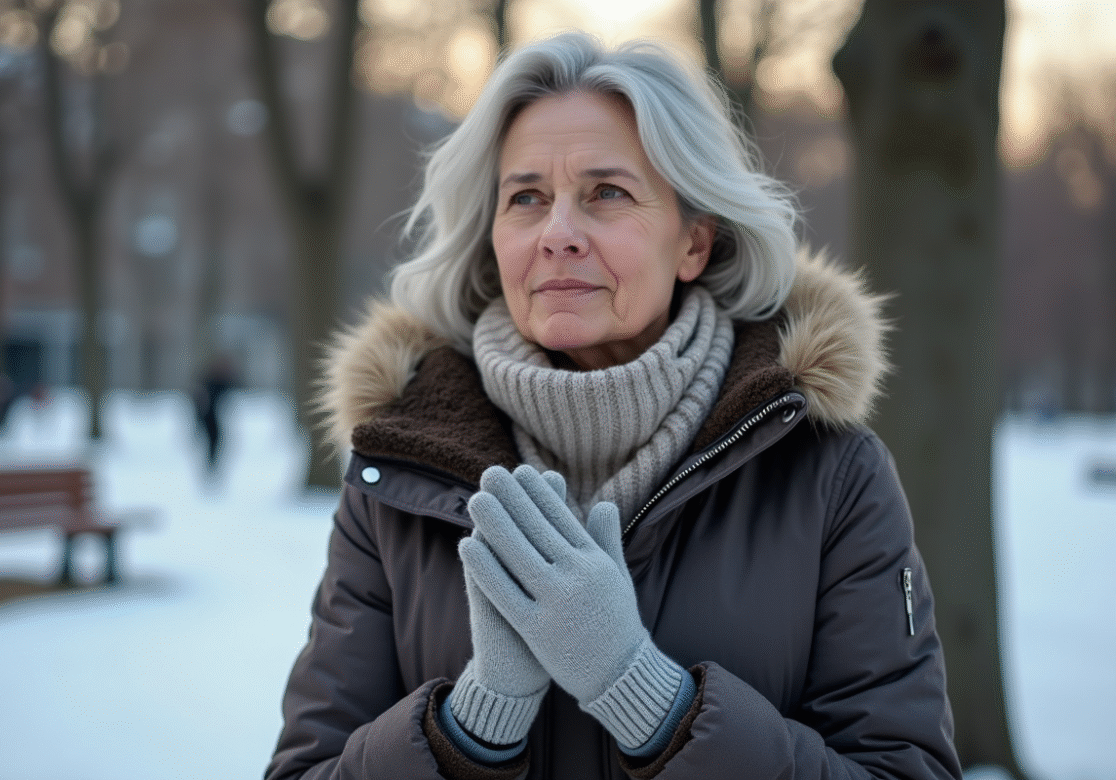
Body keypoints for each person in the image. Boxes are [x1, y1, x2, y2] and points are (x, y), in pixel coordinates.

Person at [266, 32, 960, 780]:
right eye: (526, 197)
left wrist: (648, 699)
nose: (559, 234)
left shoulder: (830, 476)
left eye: (607, 193)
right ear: (492, 238)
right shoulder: (396, 480)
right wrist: (470, 727)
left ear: (694, 241)